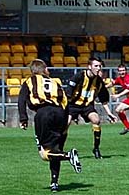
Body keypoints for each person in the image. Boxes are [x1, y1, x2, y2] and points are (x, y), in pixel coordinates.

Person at [18, 59, 82, 192]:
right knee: (56, 149)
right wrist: (66, 122)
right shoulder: (55, 82)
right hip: (60, 114)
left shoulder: (29, 81)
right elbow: (65, 103)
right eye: (47, 68)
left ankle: (69, 156)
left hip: (43, 114)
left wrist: (23, 119)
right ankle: (54, 182)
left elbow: (21, 99)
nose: (49, 70)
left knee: (45, 153)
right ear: (43, 69)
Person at [65, 56, 118, 159]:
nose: (98, 68)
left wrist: (109, 113)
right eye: (96, 66)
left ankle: (96, 148)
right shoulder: (78, 77)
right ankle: (59, 148)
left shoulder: (99, 81)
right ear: (89, 66)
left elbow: (103, 99)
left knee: (96, 120)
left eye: (100, 66)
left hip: (87, 106)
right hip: (73, 105)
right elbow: (67, 94)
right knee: (66, 123)